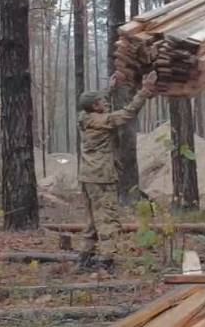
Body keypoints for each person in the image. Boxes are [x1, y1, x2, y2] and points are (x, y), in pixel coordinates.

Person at [76, 70, 158, 266]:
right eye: (100, 101)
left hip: (88, 176)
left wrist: (110, 88)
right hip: (102, 176)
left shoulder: (84, 117)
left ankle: (84, 258)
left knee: (92, 219)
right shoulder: (103, 120)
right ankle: (106, 260)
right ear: (95, 107)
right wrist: (145, 91)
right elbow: (128, 113)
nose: (104, 102)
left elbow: (96, 102)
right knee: (107, 218)